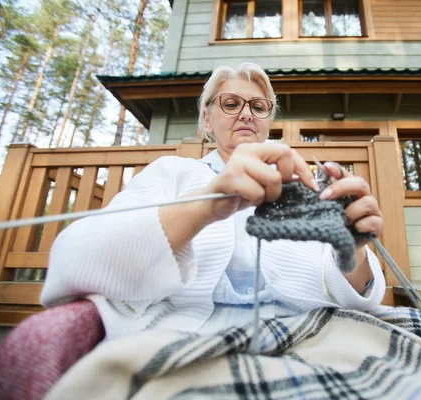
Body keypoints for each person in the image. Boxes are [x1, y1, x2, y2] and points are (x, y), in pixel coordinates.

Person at [40, 62, 386, 341]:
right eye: (231, 104)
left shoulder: (306, 186)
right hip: (183, 336)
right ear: (208, 119)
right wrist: (205, 205)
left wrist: (353, 249)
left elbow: (353, 293)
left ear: (269, 121)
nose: (247, 114)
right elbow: (75, 262)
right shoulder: (172, 173)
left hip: (307, 333)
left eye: (258, 107)